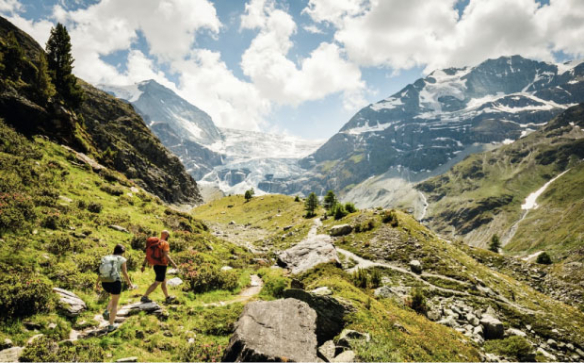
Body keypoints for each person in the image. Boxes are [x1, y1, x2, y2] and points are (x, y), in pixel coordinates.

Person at [96, 244, 135, 332]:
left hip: (105, 282)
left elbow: (100, 272)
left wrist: (97, 283)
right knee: (115, 305)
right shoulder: (122, 259)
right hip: (115, 282)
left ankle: (106, 311)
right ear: (122, 252)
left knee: (114, 297)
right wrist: (130, 283)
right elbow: (124, 273)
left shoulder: (105, 258)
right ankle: (111, 326)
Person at [140, 230, 179, 304]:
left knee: (163, 282)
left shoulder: (155, 244)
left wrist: (143, 265)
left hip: (156, 265)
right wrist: (174, 264)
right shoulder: (165, 243)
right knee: (157, 282)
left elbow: (147, 256)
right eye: (168, 235)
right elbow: (166, 255)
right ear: (166, 235)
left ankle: (167, 297)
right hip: (162, 265)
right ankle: (144, 296)